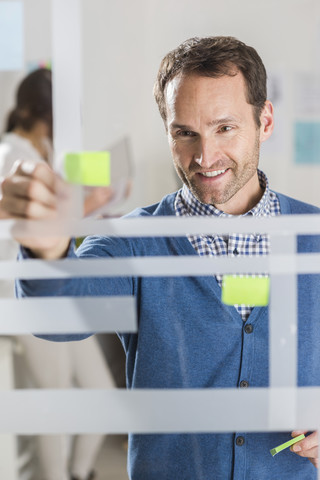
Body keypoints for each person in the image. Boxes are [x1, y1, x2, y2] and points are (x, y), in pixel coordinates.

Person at [0, 36, 319, 479]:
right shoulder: (133, 242)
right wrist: (47, 248)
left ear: (264, 121)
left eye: (224, 128)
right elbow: (56, 312)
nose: (204, 157)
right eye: (184, 132)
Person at [0, 68, 116, 480]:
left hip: (61, 290)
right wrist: (88, 205)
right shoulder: (13, 155)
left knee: (100, 394)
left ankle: (77, 472)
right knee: (54, 404)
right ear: (39, 112)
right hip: (24, 294)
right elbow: (38, 227)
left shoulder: (42, 151)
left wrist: (99, 205)